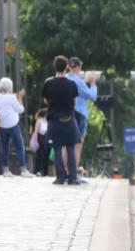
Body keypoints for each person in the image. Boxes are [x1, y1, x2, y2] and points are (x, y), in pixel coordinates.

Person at [41, 55, 82, 185]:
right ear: (66, 68)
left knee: (57, 148)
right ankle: (72, 177)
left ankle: (60, 177)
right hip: (69, 119)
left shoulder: (48, 83)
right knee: (70, 148)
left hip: (54, 120)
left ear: (55, 67)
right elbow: (75, 102)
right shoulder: (71, 84)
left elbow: (45, 100)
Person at [0, 77, 34, 177]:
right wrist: (20, 97)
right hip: (13, 124)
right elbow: (21, 110)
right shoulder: (12, 97)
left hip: (2, 125)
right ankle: (23, 169)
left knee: (5, 147)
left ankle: (5, 169)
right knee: (20, 146)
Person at [66, 56, 98, 174]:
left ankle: (65, 171)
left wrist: (84, 81)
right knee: (77, 145)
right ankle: (73, 172)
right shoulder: (79, 82)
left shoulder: (64, 79)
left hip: (66, 113)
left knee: (66, 144)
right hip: (79, 114)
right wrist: (93, 83)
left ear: (68, 67)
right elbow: (92, 96)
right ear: (79, 67)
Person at [33, 109, 50, 176]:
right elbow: (36, 132)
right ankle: (38, 170)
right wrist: (36, 141)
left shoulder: (48, 122)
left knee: (46, 156)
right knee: (40, 156)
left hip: (46, 140)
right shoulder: (39, 121)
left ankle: (45, 172)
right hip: (40, 139)